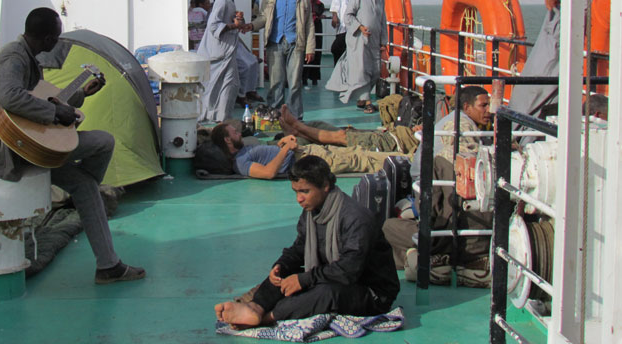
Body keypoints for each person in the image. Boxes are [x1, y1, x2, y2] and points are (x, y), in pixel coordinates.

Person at [0, 7, 145, 285]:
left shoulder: (25, 56)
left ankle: (108, 265)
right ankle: (85, 192)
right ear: (47, 39)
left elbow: (38, 102)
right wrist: (57, 114)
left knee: (84, 186)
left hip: (21, 143)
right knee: (104, 142)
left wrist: (79, 95)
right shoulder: (14, 56)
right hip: (1, 150)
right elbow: (10, 97)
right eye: (56, 37)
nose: (57, 42)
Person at [214, 156, 399, 327]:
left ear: (325, 185)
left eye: (305, 191)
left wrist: (304, 280)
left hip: (371, 293)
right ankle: (256, 307)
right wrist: (281, 266)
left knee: (326, 293)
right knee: (286, 277)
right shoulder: (312, 211)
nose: (299, 199)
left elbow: (349, 270)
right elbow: (300, 247)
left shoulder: (356, 218)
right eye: (296, 192)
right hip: (335, 275)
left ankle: (265, 318)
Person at [383, 86, 493, 285]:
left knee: (391, 228)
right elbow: (471, 163)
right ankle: (428, 253)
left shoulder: (460, 122)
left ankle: (418, 256)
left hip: (433, 190)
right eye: (483, 105)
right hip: (437, 190)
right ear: (467, 107)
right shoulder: (459, 128)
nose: (489, 110)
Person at [211, 117, 415, 178]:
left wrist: (283, 143)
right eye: (234, 133)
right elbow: (267, 172)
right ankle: (411, 162)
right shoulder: (240, 162)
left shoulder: (243, 152)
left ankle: (406, 157)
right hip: (302, 160)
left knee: (356, 153)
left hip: (302, 153)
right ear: (228, 141)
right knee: (359, 159)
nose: (239, 134)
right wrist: (286, 149)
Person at [247, 0, 315, 120]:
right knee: (275, 83)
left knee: (295, 83)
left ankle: (295, 117)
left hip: (295, 44)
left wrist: (310, 48)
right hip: (274, 43)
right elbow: (263, 17)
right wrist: (251, 26)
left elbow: (309, 23)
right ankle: (274, 115)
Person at [508, 0, 561, 119]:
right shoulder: (561, 2)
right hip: (543, 67)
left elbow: (559, 36)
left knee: (534, 102)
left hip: (550, 69)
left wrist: (552, 10)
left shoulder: (578, 2)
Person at [326, 0, 389, 112]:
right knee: (362, 71)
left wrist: (383, 42)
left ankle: (361, 99)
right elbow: (348, 15)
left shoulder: (381, 0)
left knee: (375, 70)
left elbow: (382, 20)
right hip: (359, 40)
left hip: (374, 42)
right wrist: (360, 27)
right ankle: (367, 102)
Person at [197, 0, 246, 122]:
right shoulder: (222, 1)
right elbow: (213, 25)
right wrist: (233, 25)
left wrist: (236, 20)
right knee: (227, 84)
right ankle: (221, 117)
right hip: (220, 52)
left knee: (228, 83)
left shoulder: (227, 0)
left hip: (226, 51)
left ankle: (219, 116)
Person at [329, 0, 362, 65]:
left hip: (351, 28)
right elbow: (334, 9)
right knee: (338, 51)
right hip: (340, 29)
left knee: (336, 48)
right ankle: (339, 72)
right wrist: (334, 17)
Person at [302, 0, 325, 88]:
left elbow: (318, 12)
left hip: (317, 28)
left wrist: (313, 11)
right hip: (306, 28)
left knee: (317, 52)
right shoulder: (305, 3)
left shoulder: (320, 4)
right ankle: (304, 78)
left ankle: (314, 78)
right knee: (306, 53)